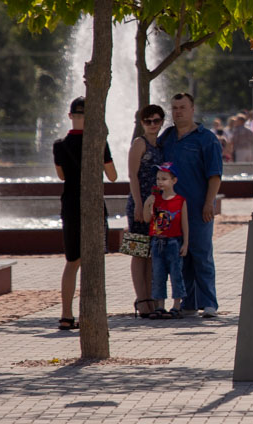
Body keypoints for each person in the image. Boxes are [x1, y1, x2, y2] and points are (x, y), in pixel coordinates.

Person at [53, 97, 116, 331]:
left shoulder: (59, 145)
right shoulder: (97, 142)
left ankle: (66, 314)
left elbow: (61, 175)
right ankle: (92, 313)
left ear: (70, 116)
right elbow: (112, 175)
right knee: (94, 259)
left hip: (70, 204)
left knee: (71, 261)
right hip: (92, 204)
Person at [158, 92, 222, 317]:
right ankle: (188, 302)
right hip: (172, 209)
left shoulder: (206, 139)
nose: (178, 111)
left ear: (192, 109)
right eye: (174, 107)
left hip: (197, 207)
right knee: (180, 256)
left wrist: (209, 203)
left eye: (183, 107)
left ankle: (210, 303)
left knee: (201, 253)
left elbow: (215, 175)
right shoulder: (167, 138)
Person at [126, 104, 166, 318]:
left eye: (157, 121)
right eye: (148, 121)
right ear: (142, 123)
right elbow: (132, 175)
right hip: (139, 204)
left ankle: (150, 297)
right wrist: (139, 204)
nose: (153, 125)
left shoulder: (160, 146)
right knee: (138, 251)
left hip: (157, 206)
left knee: (152, 253)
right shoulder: (139, 143)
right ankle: (141, 298)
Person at [143, 162, 188, 320]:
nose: (160, 182)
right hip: (157, 242)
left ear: (174, 180)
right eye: (158, 179)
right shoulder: (155, 199)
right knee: (158, 275)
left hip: (174, 242)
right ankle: (160, 306)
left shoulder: (180, 200)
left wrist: (185, 243)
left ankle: (177, 305)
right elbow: (147, 218)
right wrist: (147, 204)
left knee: (176, 274)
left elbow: (184, 224)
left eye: (164, 178)